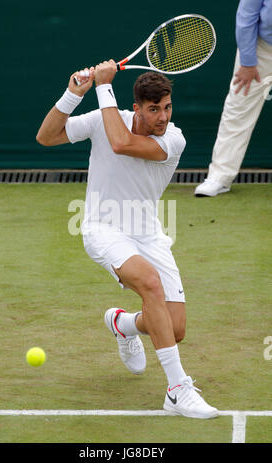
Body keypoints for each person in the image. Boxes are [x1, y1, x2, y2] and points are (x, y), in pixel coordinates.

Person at [36, 61, 218, 419]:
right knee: (150, 283)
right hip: (103, 230)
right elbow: (46, 136)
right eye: (154, 110)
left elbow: (121, 143)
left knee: (174, 328)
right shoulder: (105, 118)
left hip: (148, 234)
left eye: (167, 108)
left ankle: (123, 324)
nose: (162, 117)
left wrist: (103, 85)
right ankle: (177, 390)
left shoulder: (173, 139)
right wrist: (74, 93)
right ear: (136, 107)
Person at [195, 0, 272, 197]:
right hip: (261, 49)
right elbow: (247, 14)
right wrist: (247, 62)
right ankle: (219, 178)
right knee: (237, 111)